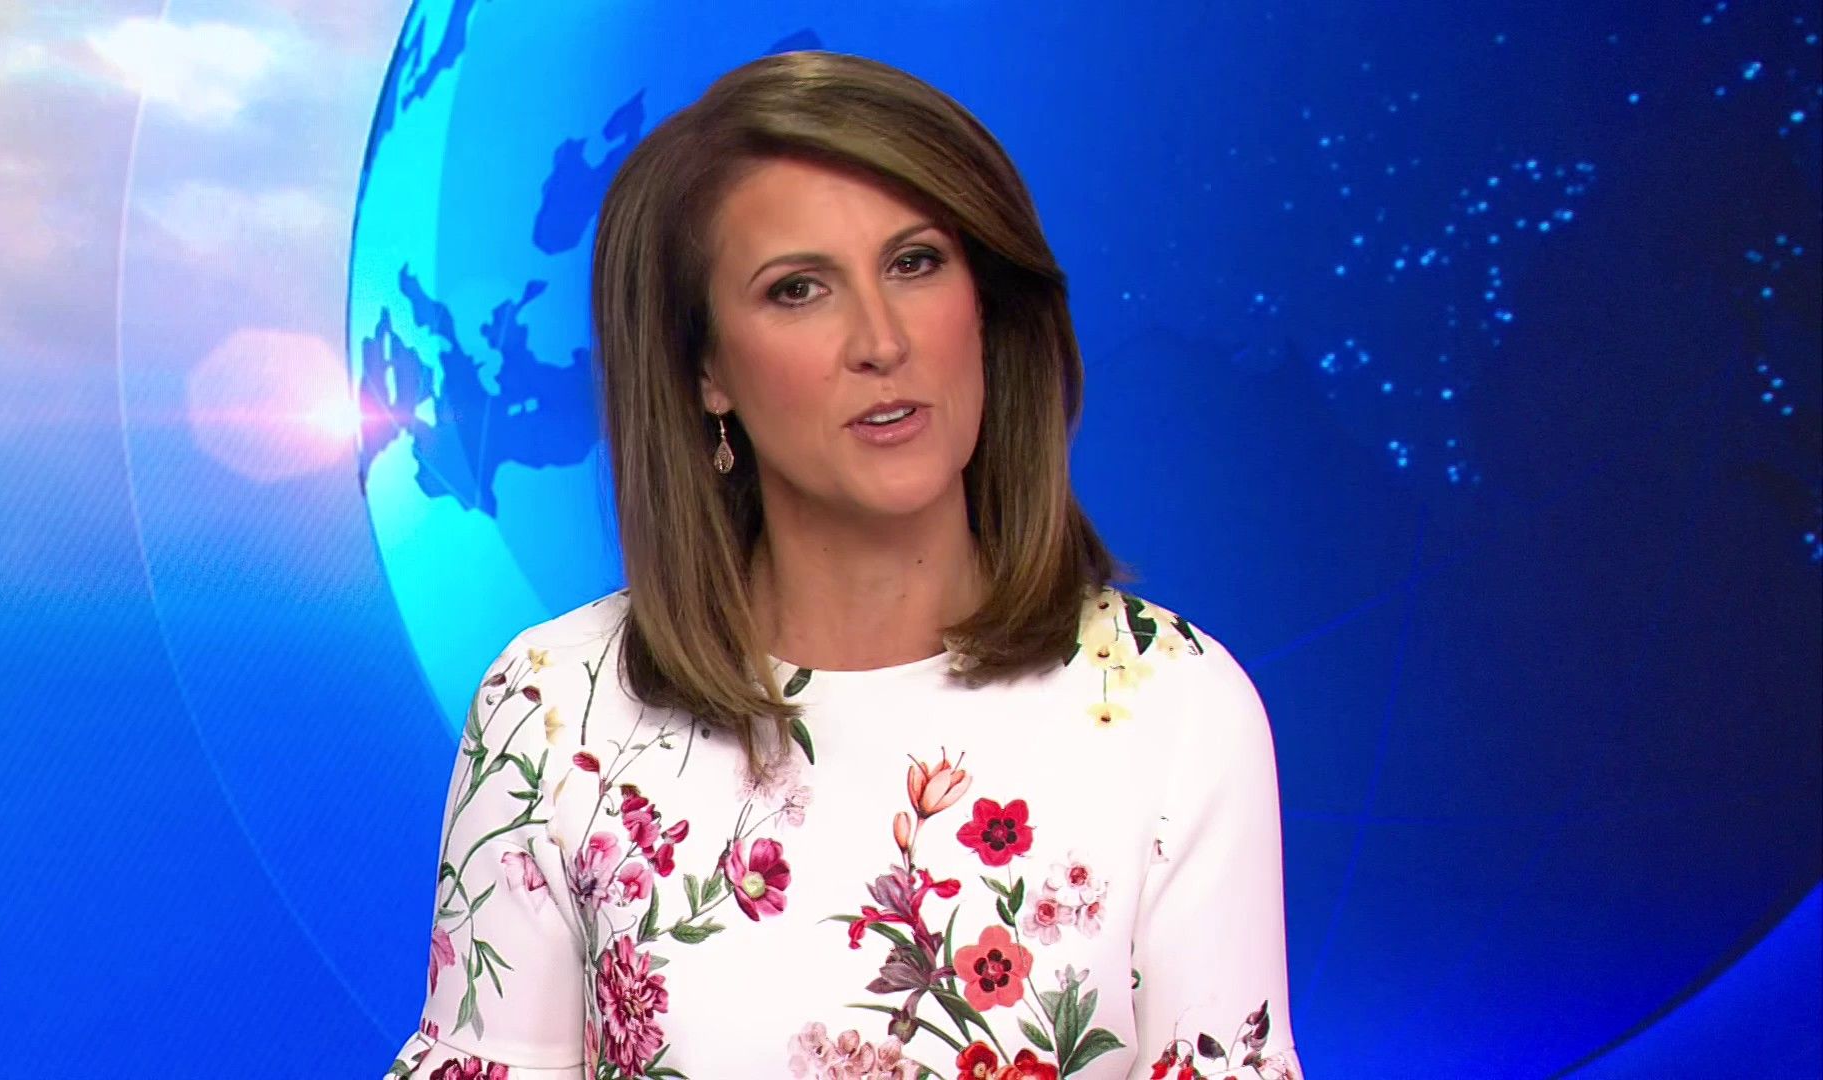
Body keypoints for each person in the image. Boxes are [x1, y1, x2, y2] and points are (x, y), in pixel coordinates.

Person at [387, 50, 1302, 1080]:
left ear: (986, 304)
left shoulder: (1175, 708)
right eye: (799, 289)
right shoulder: (555, 712)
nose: (882, 340)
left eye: (915, 263)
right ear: (706, 370)